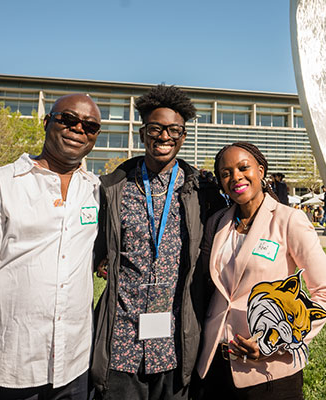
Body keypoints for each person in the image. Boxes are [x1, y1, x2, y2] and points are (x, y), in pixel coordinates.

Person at [0, 94, 102, 400]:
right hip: (9, 370)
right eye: (68, 119)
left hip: (75, 368)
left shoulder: (95, 191)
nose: (79, 129)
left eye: (90, 126)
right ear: (46, 122)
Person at [91, 85, 225, 400]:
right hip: (122, 342)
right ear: (142, 133)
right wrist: (100, 259)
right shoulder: (114, 188)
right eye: (156, 128)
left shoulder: (202, 193)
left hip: (176, 344)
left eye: (174, 130)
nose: (164, 136)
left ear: (183, 136)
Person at [196, 142, 326, 399]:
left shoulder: (289, 220)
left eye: (243, 168)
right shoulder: (218, 222)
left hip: (269, 373)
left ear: (261, 170)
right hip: (215, 367)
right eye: (226, 173)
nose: (235, 177)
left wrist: (275, 343)